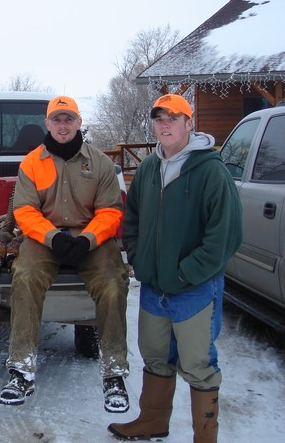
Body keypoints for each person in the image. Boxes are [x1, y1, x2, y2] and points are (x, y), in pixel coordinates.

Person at [108, 94, 242, 442]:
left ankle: (205, 436)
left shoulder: (211, 171)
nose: (165, 124)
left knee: (198, 364)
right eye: (159, 118)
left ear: (189, 122)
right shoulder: (150, 167)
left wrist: (185, 273)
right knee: (155, 357)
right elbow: (132, 218)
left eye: (173, 117)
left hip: (194, 289)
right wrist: (138, 257)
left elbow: (225, 238)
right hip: (154, 288)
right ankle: (153, 420)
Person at [0, 95, 130, 413]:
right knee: (26, 277)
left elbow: (111, 210)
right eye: (56, 119)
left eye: (68, 119)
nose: (62, 125)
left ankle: (114, 374)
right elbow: (25, 210)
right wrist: (53, 238)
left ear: (79, 122)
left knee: (113, 283)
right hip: (45, 240)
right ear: (47, 123)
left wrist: (87, 240)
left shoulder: (98, 162)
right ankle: (21, 370)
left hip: (91, 239)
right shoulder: (32, 162)